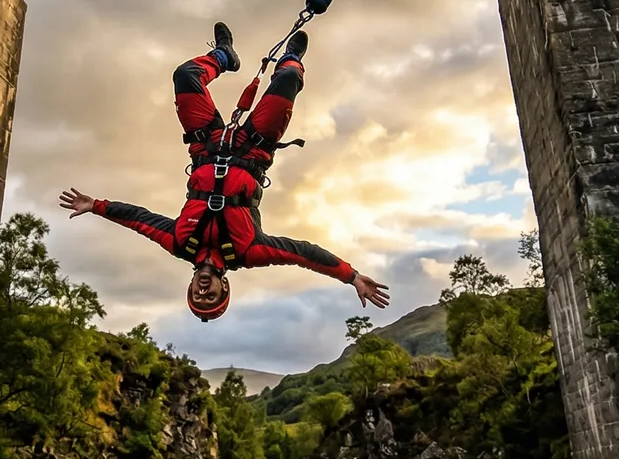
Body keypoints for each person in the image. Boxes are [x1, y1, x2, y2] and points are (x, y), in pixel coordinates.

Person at [59, 23, 390, 322]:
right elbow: (302, 254)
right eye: (210, 297)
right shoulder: (250, 251)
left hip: (206, 145)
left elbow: (139, 220)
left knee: (185, 75)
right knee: (288, 79)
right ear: (224, 287)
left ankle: (224, 56)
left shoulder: (180, 243)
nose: (202, 291)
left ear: (190, 286)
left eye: (197, 296)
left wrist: (95, 206)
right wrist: (351, 276)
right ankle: (291, 58)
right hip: (254, 150)